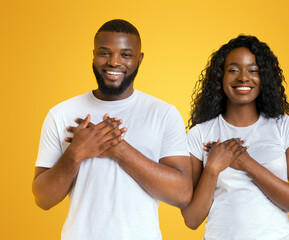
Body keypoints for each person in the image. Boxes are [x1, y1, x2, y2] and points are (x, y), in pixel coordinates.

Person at [32, 19, 192, 240]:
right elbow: (43, 199)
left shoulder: (163, 113)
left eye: (125, 54)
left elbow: (182, 195)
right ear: (94, 54)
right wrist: (76, 152)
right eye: (104, 53)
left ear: (140, 59)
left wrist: (118, 148)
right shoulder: (61, 114)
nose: (114, 62)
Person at [181, 35, 289, 240]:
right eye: (233, 70)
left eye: (253, 71)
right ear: (220, 77)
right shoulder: (200, 134)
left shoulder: (285, 127)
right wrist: (213, 168)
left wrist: (246, 163)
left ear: (265, 78)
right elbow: (191, 219)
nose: (243, 78)